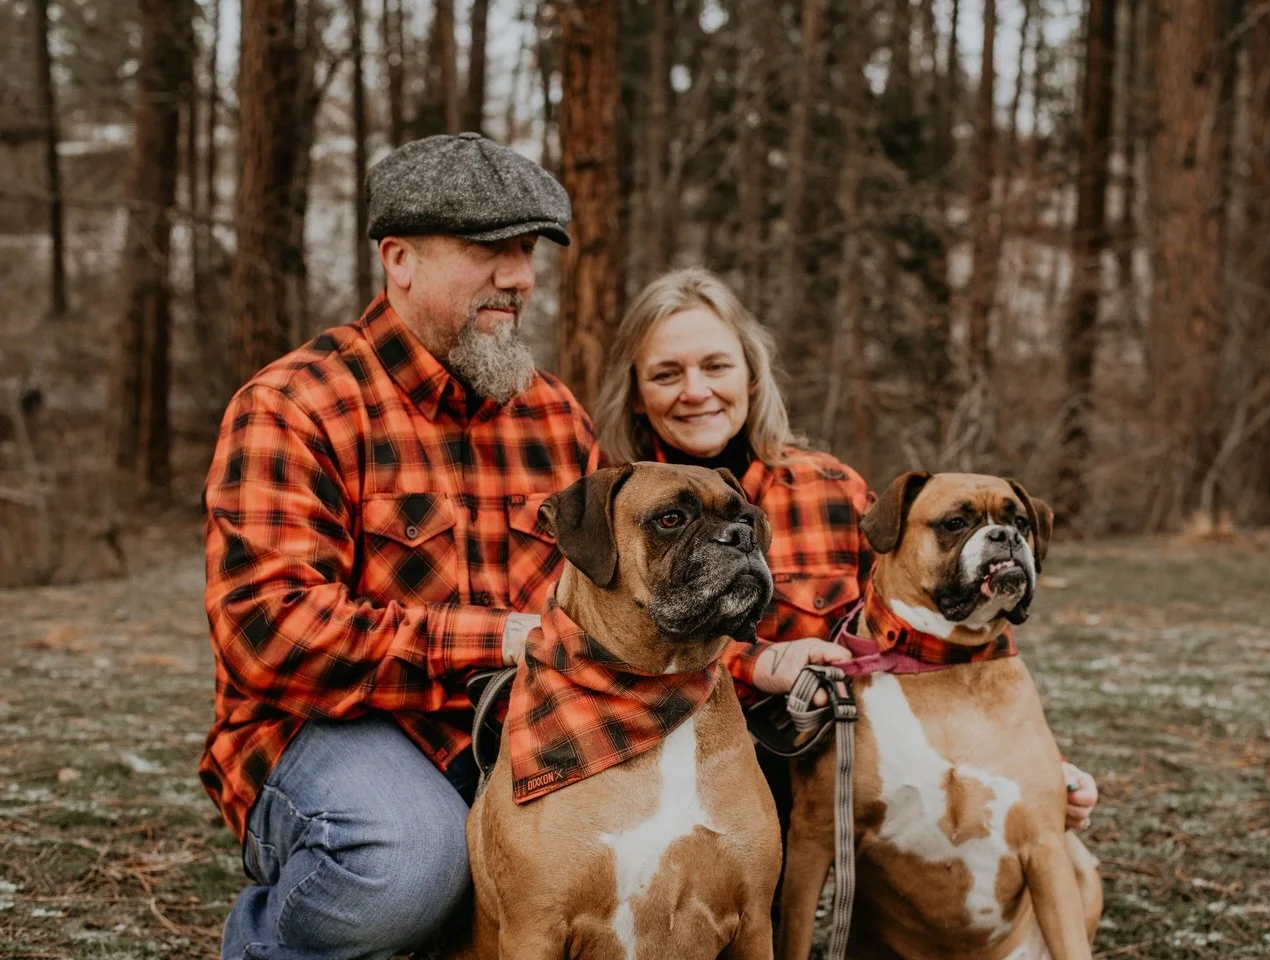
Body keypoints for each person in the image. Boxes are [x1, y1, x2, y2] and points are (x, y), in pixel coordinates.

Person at [199, 133, 597, 959]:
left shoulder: (553, 414)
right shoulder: (293, 404)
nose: (520, 278)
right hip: (316, 730)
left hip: (506, 734)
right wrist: (495, 638)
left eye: (526, 252)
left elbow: (609, 594)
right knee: (410, 857)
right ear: (399, 258)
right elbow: (266, 633)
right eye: (491, 251)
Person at [592, 268, 1100, 832]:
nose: (696, 391)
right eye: (667, 374)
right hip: (646, 767)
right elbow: (588, 647)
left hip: (802, 766)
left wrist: (1034, 767)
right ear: (636, 394)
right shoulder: (609, 505)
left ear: (752, 376)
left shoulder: (831, 489)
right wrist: (757, 664)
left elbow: (923, 637)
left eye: (716, 366)